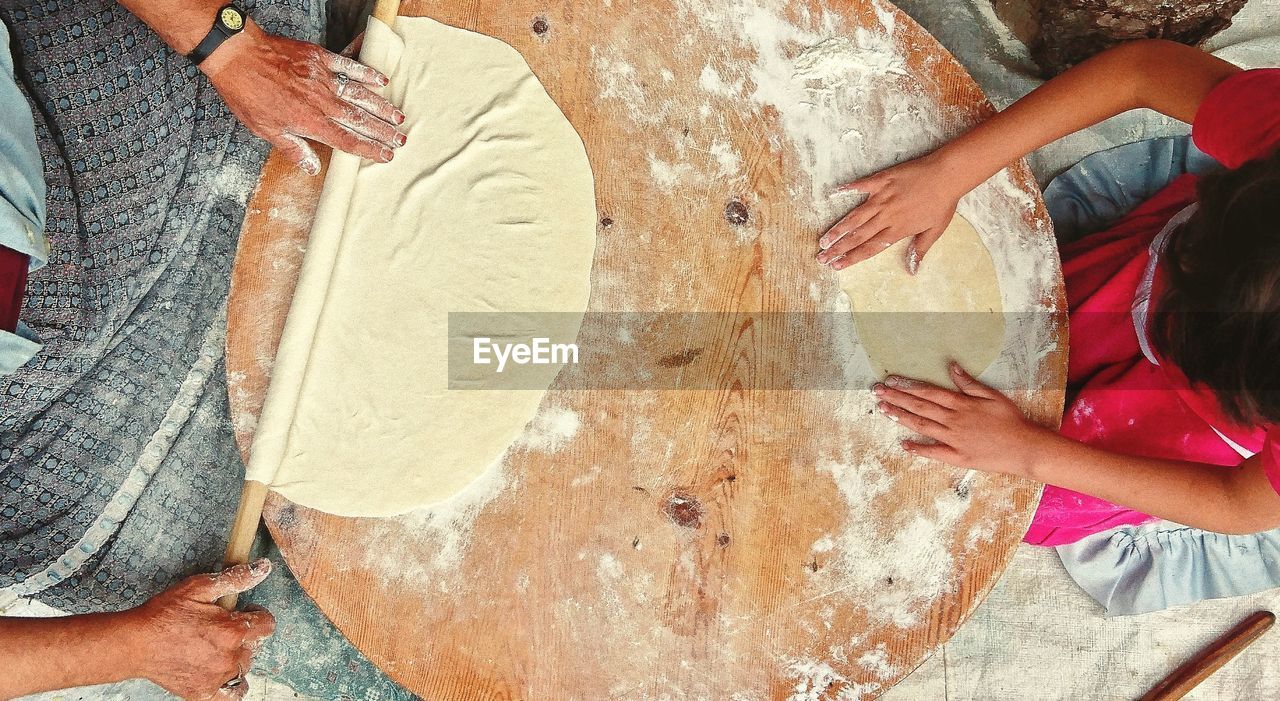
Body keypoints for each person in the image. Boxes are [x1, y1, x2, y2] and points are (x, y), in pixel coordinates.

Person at [0, 0, 403, 697]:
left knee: (273, 61)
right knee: (172, 574)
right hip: (26, 403)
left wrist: (227, 45)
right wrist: (138, 642)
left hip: (40, 167)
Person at [817, 40, 1280, 544]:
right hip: (1152, 275)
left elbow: (1240, 503)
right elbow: (1142, 72)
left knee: (988, 502)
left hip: (1192, 426)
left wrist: (1026, 451)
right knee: (1030, 327)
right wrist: (951, 170)